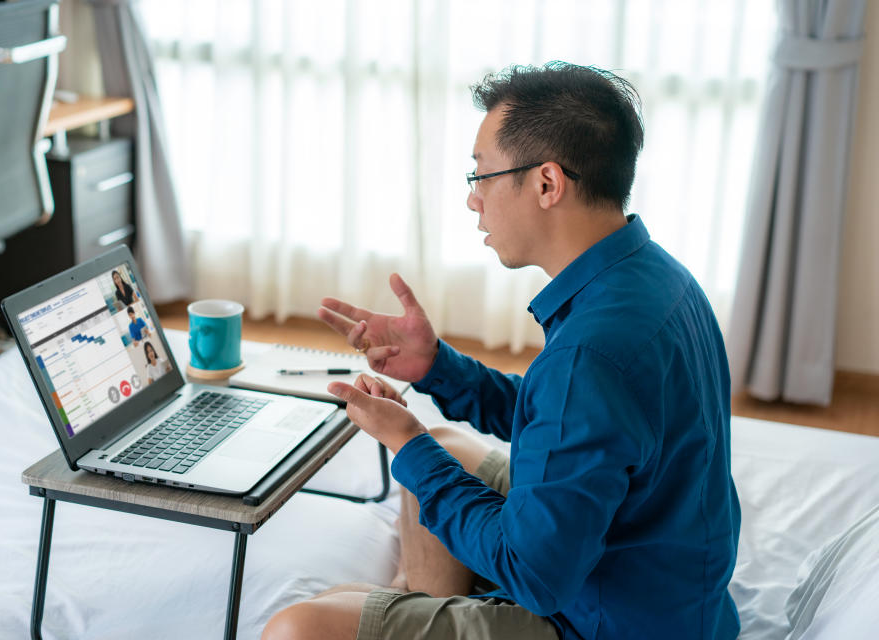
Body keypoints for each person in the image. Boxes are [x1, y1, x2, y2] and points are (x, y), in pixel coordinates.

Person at [262, 62, 740, 640]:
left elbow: (534, 575)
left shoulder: (591, 352)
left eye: (481, 175)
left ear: (546, 184)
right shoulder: (657, 277)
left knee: (297, 627)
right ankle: (426, 602)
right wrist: (437, 367)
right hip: (668, 588)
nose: (473, 200)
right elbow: (564, 422)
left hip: (609, 620)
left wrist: (404, 444)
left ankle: (421, 607)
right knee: (442, 448)